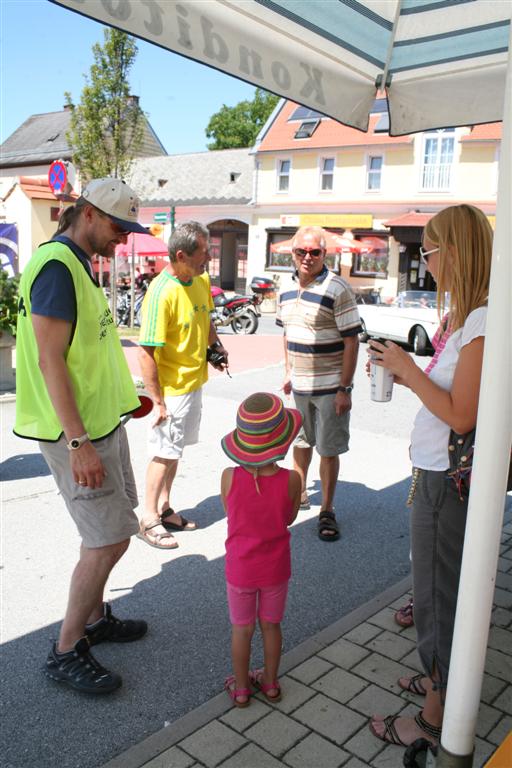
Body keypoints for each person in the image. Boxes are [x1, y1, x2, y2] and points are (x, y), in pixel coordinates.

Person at [14, 178, 149, 694]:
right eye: (118, 227)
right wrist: (78, 443)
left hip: (102, 425)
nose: (123, 239)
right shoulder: (56, 266)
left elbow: (83, 353)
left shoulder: (78, 263)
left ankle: (94, 618)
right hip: (78, 435)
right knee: (111, 535)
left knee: (109, 528)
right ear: (89, 213)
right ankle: (66, 647)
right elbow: (50, 361)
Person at [368, 204, 493, 747]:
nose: (427, 260)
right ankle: (441, 681)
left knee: (437, 594)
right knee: (437, 587)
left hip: (448, 479)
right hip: (438, 474)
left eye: (432, 250)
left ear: (456, 252)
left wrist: (407, 370)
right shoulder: (470, 317)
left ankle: (435, 714)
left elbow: (462, 415)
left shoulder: (484, 319)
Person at [137, 221, 228, 549]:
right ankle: (147, 518)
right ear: (181, 255)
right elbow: (146, 352)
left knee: (175, 451)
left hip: (193, 383)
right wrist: (157, 401)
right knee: (163, 452)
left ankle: (163, 507)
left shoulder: (200, 279)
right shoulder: (161, 292)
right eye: (203, 252)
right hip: (172, 390)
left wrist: (215, 348)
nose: (208, 257)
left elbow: (207, 319)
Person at [277, 226, 361, 541]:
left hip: (330, 388)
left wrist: (345, 388)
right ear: (293, 253)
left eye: (315, 252)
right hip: (299, 385)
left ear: (324, 254)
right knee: (300, 444)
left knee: (328, 448)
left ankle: (327, 509)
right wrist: (287, 371)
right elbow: (286, 332)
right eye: (302, 252)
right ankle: (299, 495)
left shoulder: (337, 288)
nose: (308, 257)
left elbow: (351, 341)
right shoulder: (284, 286)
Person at [220, 392, 302, 706]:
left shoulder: (229, 476)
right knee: (271, 625)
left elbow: (231, 512)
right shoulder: (292, 480)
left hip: (240, 568)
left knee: (242, 629)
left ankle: (241, 689)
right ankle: (269, 682)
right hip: (276, 568)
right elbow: (290, 517)